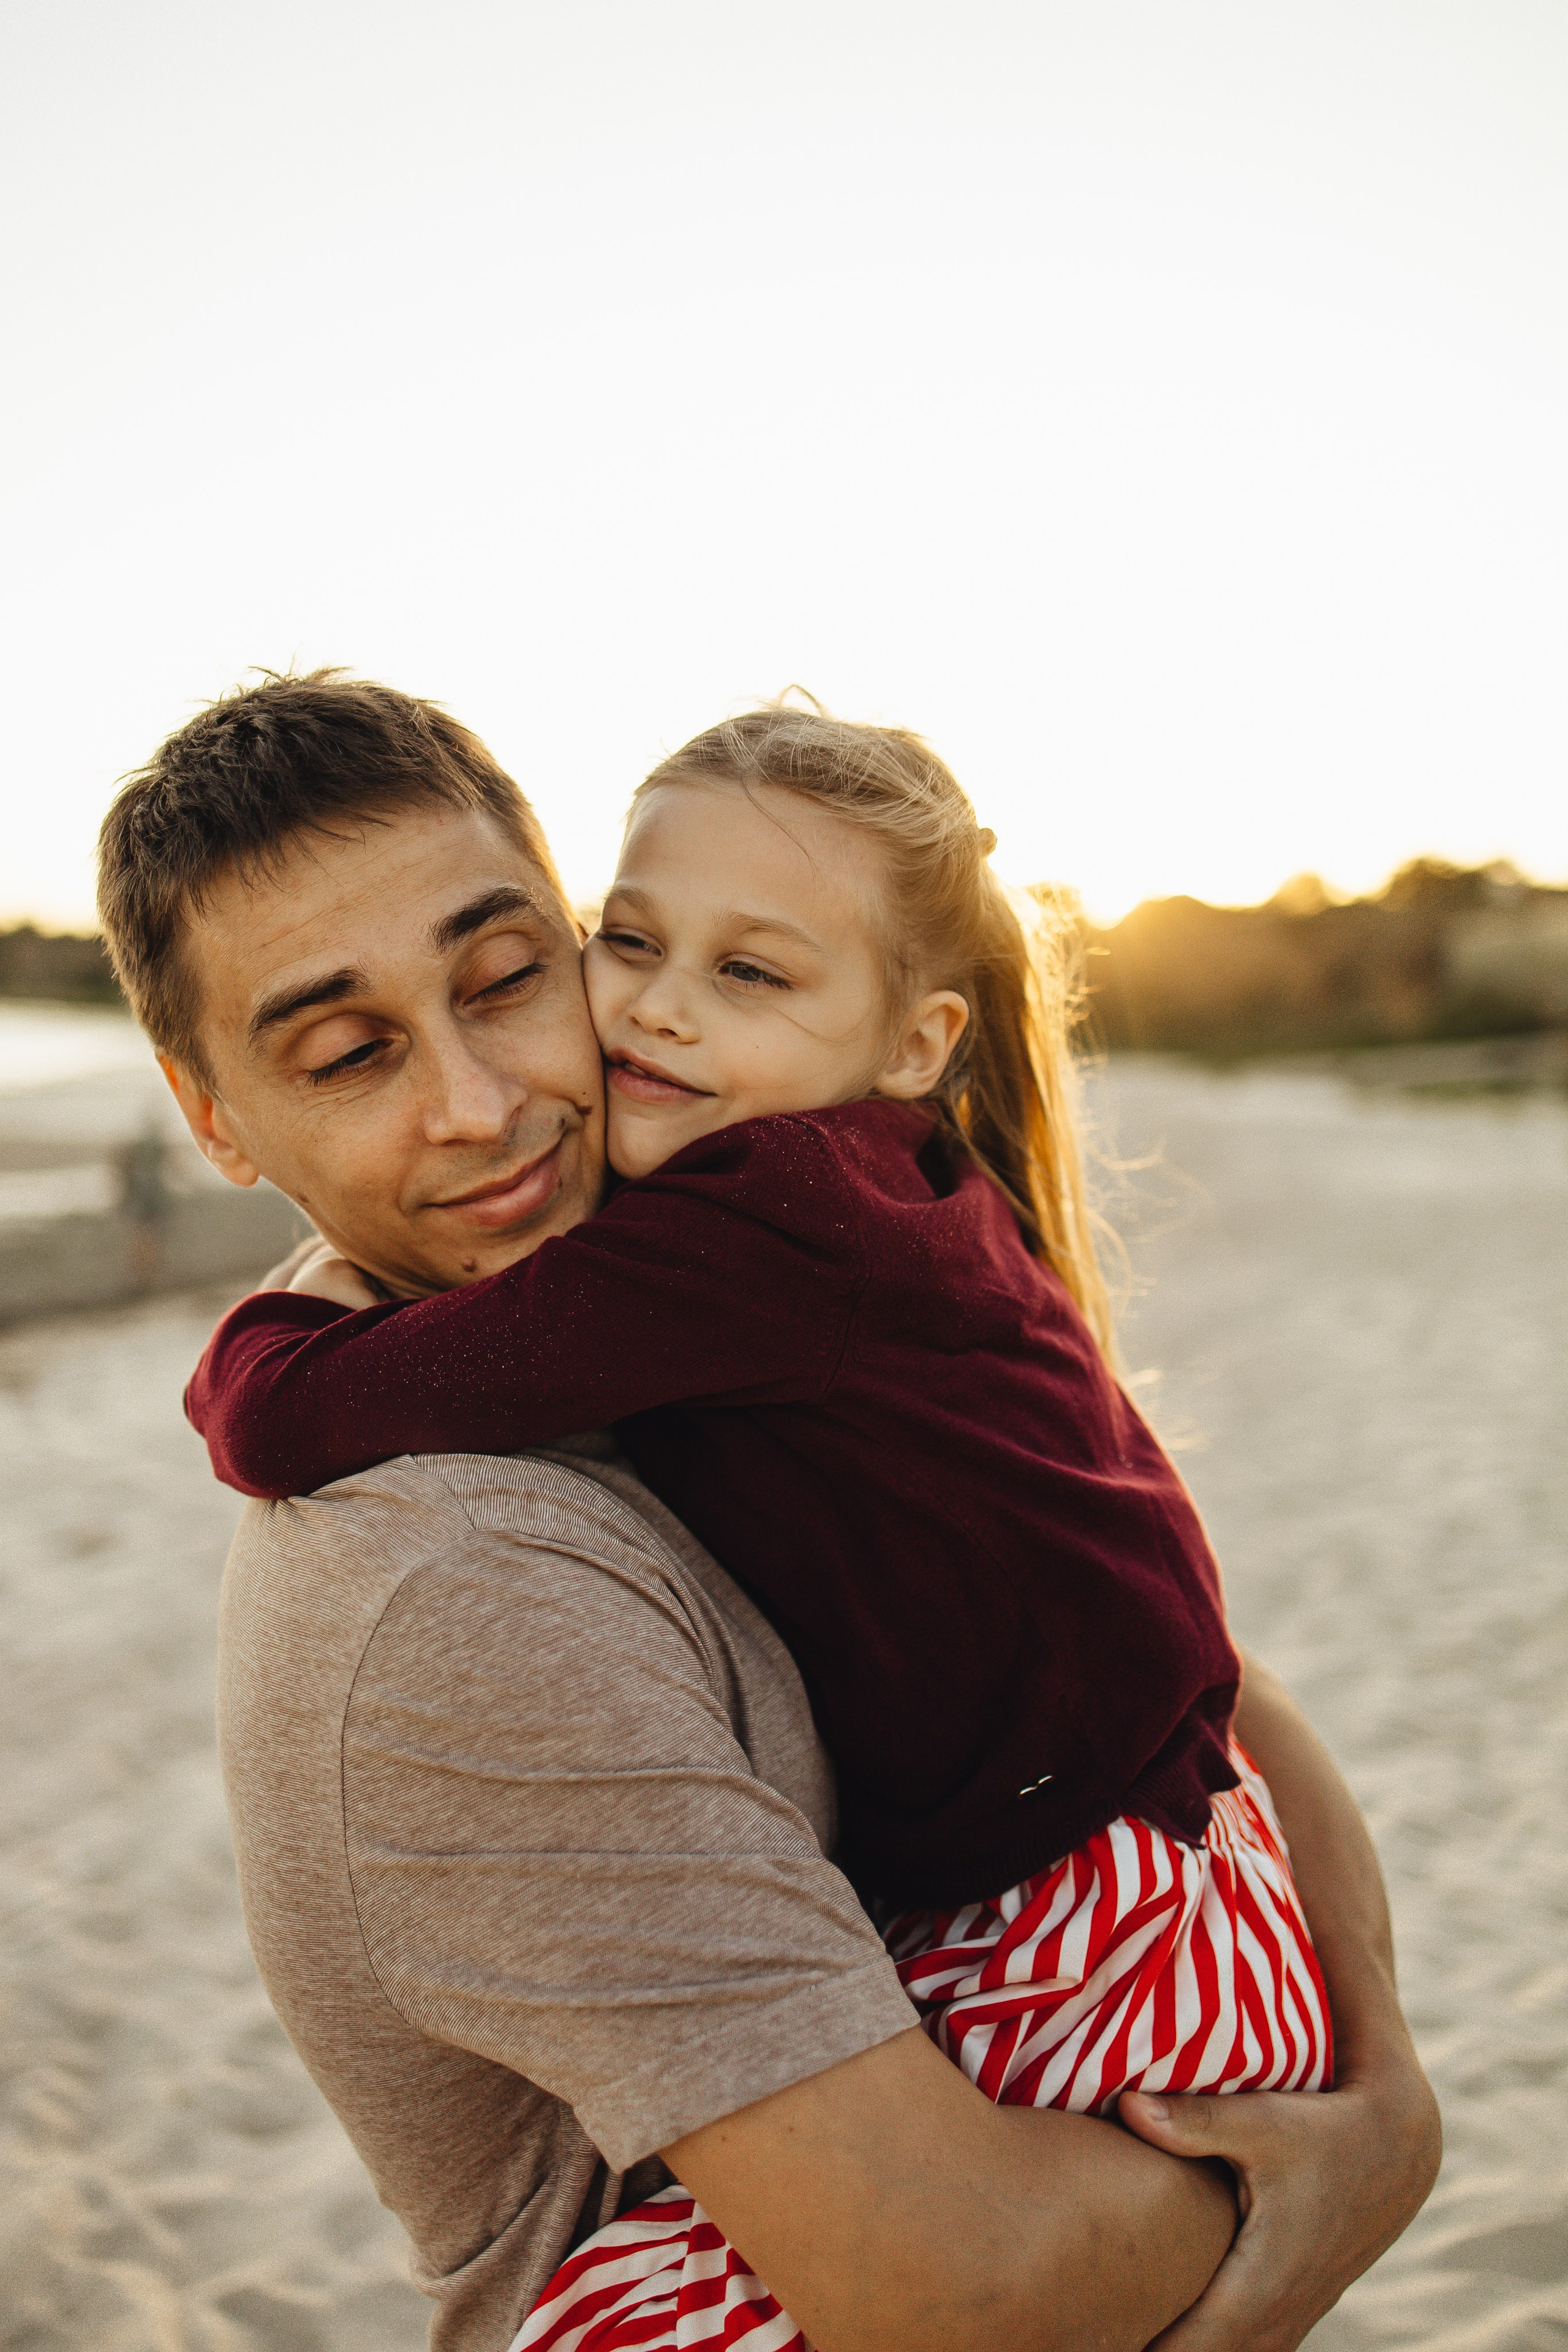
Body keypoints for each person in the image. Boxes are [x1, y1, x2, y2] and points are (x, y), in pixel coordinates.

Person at [97, 672, 1439, 2351]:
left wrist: (1383, 2082)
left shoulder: (697, 1288)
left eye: (511, 978)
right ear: (211, 1115)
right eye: (353, 1052)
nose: (480, 1103)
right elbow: (956, 2286)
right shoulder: (457, 1581)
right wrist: (1339, 2175)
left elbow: (1215, 1680)